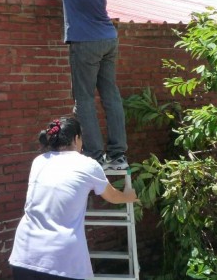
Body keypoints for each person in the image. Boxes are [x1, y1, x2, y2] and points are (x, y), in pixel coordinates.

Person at [28, 0, 128, 170]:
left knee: (83, 100)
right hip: (109, 38)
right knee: (111, 96)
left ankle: (95, 156)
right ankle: (119, 156)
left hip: (86, 41)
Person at [9, 116, 137, 280]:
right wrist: (129, 196)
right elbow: (112, 196)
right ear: (76, 139)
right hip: (61, 260)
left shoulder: (39, 161)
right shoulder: (87, 164)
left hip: (24, 253)